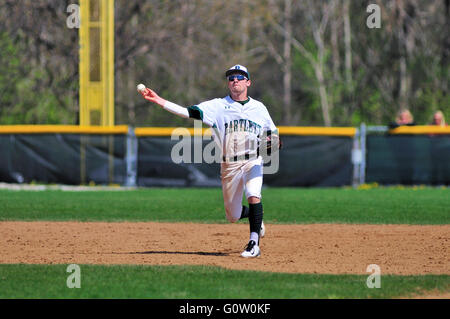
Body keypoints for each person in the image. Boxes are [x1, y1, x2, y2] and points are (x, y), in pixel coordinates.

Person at [139, 64, 280, 258]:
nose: (235, 80)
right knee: (233, 215)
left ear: (248, 82)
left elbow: (273, 133)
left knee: (253, 194)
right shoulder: (217, 106)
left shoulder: (259, 108)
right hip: (229, 165)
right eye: (231, 78)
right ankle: (256, 218)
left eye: (239, 77)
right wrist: (159, 100)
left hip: (252, 160)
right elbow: (186, 112)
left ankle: (253, 243)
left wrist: (274, 141)